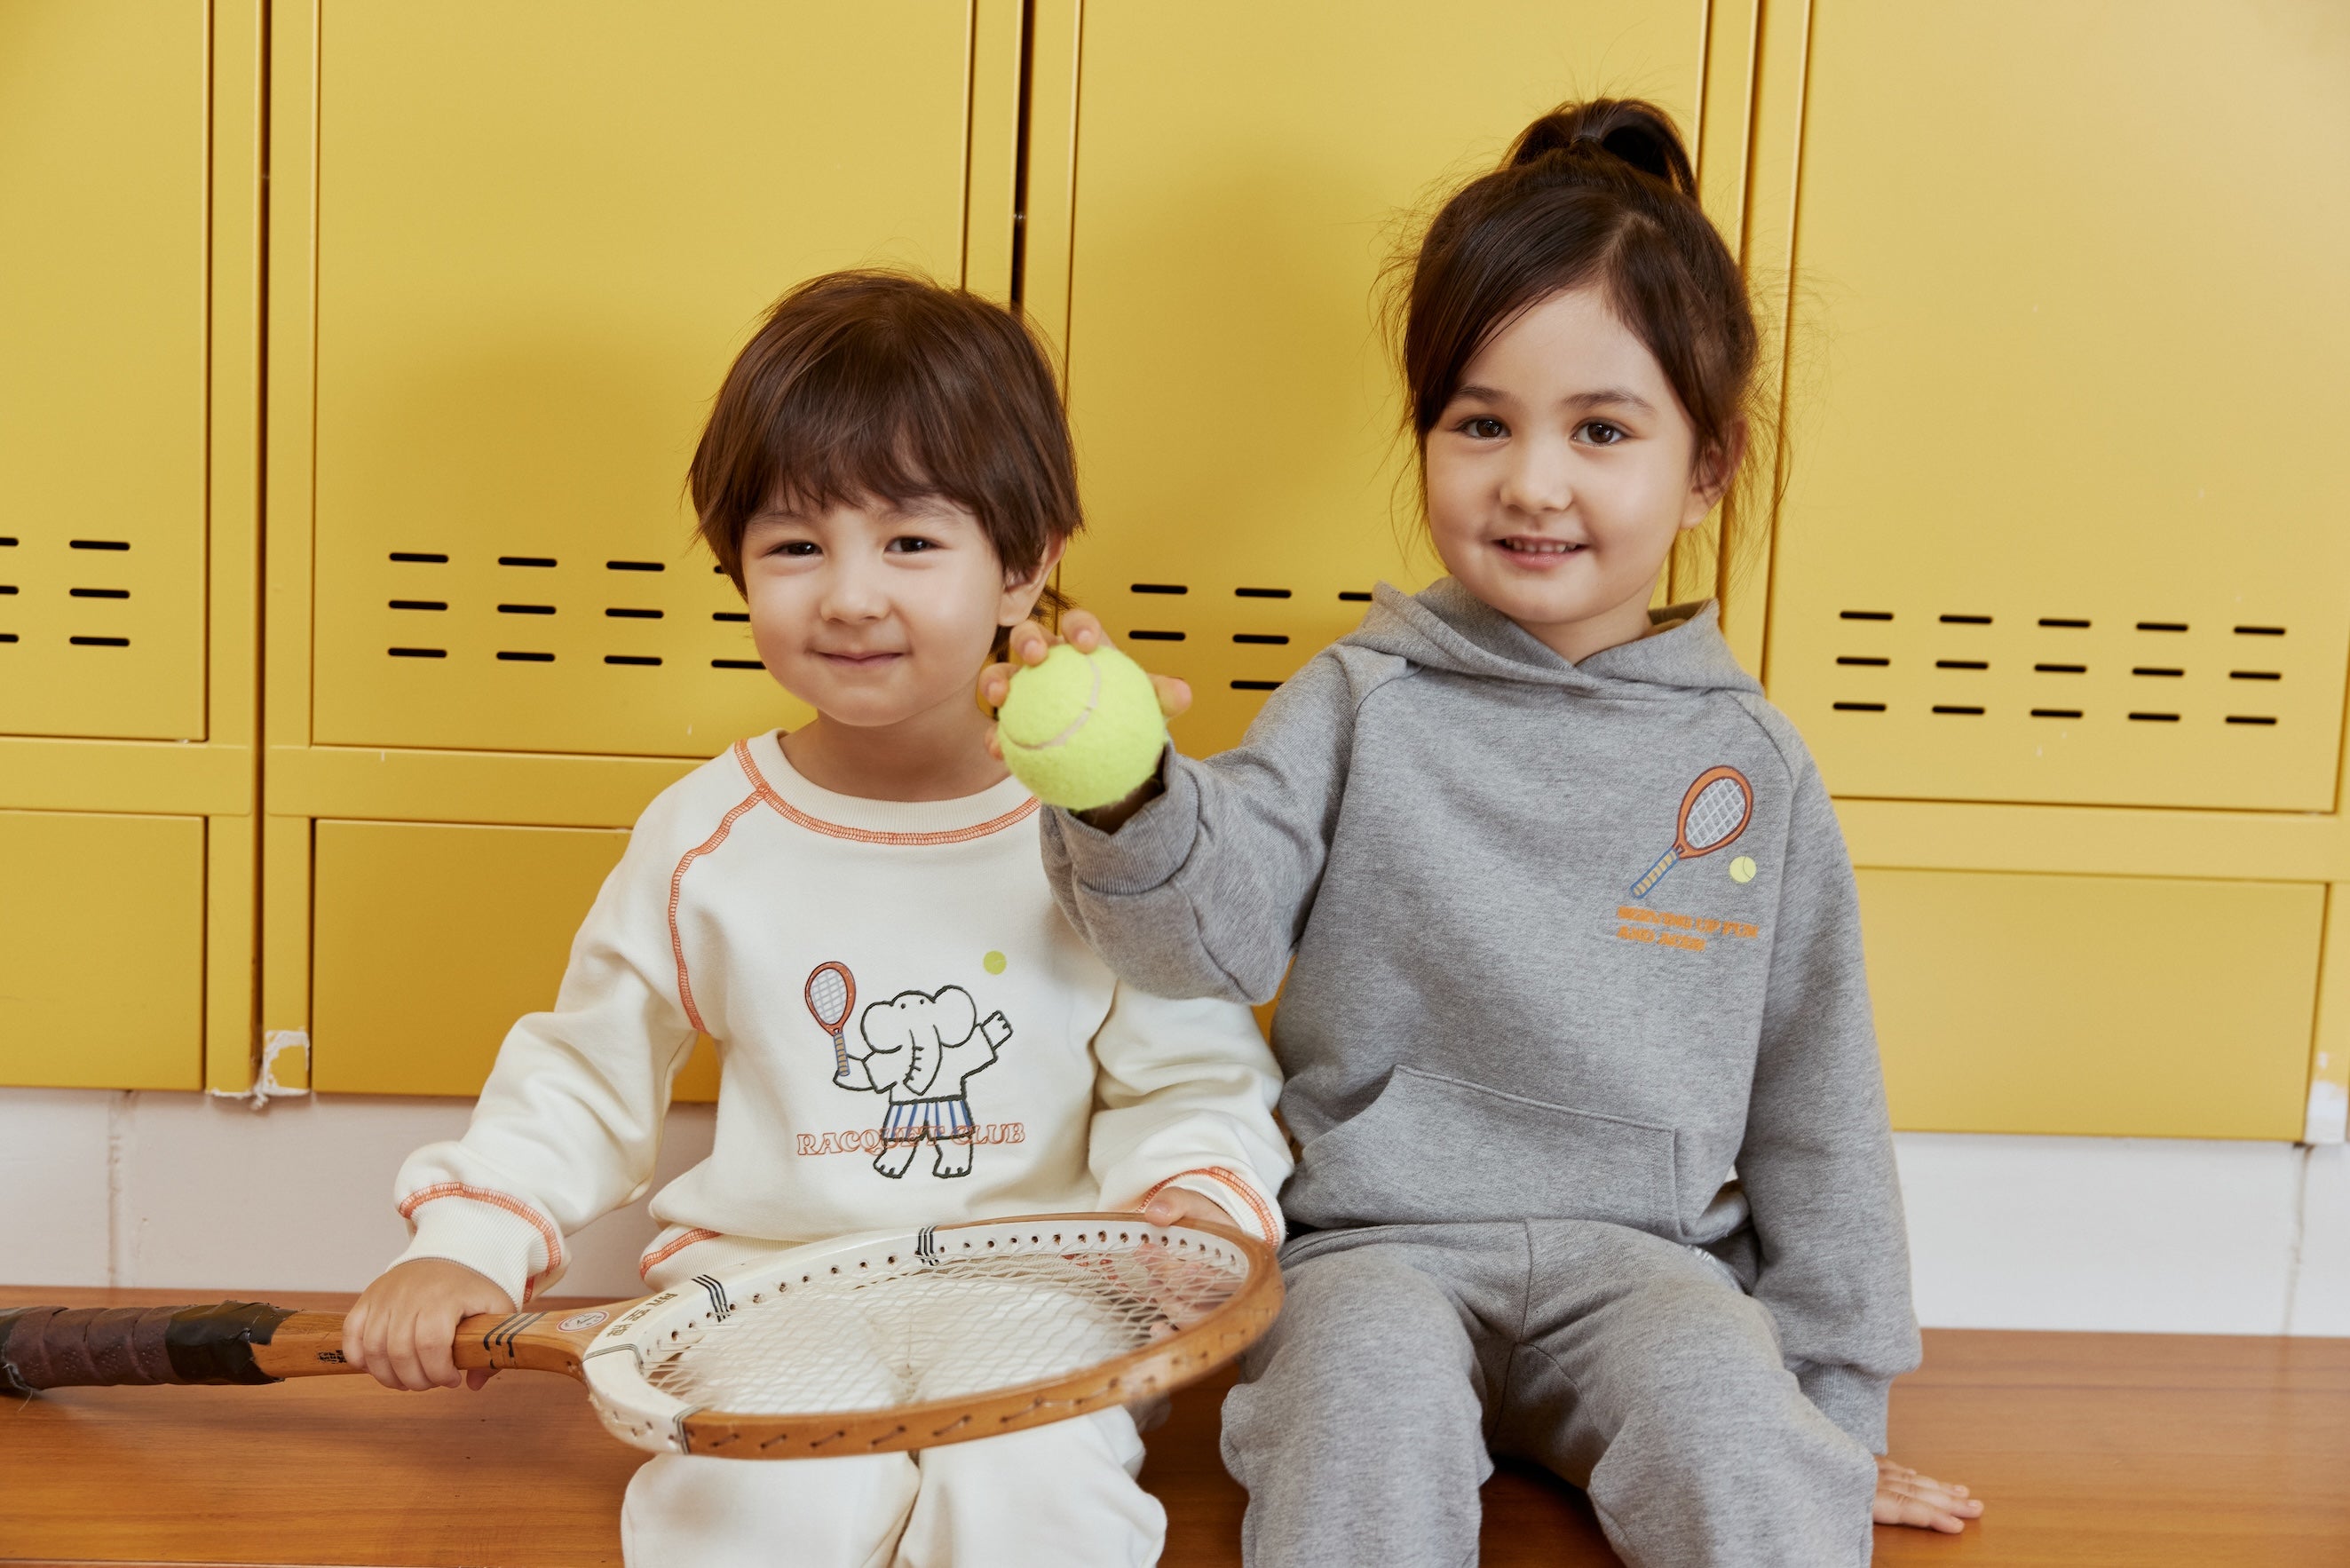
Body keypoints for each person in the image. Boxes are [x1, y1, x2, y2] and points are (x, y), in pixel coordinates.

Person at [991, 101, 1982, 1566]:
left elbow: (1816, 1100)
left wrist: (1832, 1420)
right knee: (1361, 1416)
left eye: (1600, 430)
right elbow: (1207, 935)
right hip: (1374, 1252)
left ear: (1707, 465)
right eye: (1480, 423)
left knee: (1737, 1424)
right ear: (1428, 435)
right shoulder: (1357, 698)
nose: (1532, 481)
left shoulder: (1752, 762)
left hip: (1652, 1268)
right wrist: (1127, 792)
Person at [343, 271, 1291, 1568]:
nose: (848, 594)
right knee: (752, 1516)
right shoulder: (704, 834)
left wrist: (1194, 1197)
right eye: (797, 544)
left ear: (1025, 565)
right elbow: (586, 1067)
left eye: (910, 542)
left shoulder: (1105, 819)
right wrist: (470, 1240)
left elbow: (1192, 1066)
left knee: (1041, 1512)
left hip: (1045, 1291)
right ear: (737, 562)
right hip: (767, 1296)